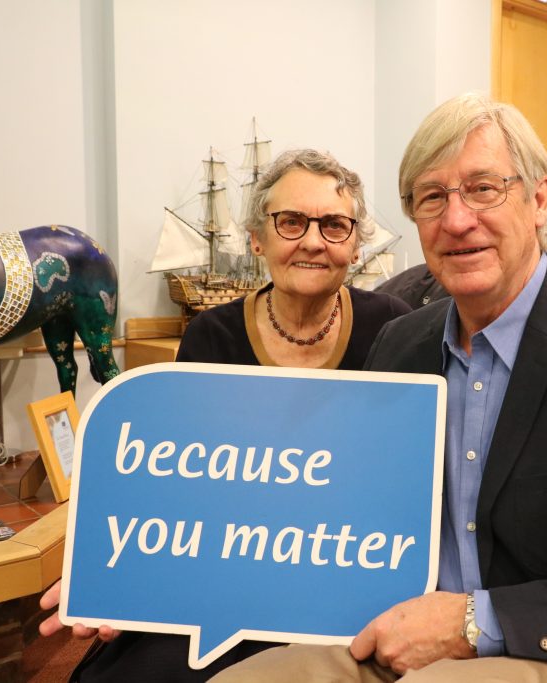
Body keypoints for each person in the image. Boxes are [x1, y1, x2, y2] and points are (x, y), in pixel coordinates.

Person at [208, 93, 547, 682]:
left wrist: (471, 622)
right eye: (432, 198)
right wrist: (151, 590)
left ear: (539, 200)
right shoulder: (398, 348)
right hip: (393, 638)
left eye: (484, 188)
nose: (457, 221)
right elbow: (336, 531)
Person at [37, 148, 411, 681]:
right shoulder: (211, 336)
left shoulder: (396, 329)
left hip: (346, 586)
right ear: (258, 237)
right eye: (291, 222)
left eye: (334, 225)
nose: (311, 240)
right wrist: (111, 573)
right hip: (224, 578)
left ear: (354, 243)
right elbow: (177, 483)